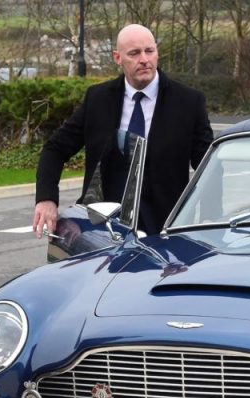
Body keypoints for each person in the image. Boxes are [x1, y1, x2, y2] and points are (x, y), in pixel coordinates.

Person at [33, 23, 214, 237]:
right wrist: (46, 199)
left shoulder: (188, 102)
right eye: (134, 53)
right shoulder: (98, 99)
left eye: (149, 51)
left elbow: (209, 168)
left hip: (165, 234)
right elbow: (55, 149)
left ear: (157, 52)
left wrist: (211, 221)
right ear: (117, 58)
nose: (144, 59)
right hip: (105, 232)